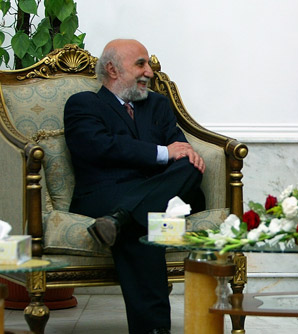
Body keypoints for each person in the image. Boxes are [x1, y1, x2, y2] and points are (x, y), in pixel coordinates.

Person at [64, 39, 207, 334]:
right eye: (141, 64)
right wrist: (162, 153)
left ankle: (121, 217)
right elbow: (100, 147)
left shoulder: (157, 105)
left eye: (149, 65)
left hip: (148, 194)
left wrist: (181, 154)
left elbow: (182, 148)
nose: (150, 72)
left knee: (190, 166)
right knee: (147, 224)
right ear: (112, 69)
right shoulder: (83, 104)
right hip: (105, 194)